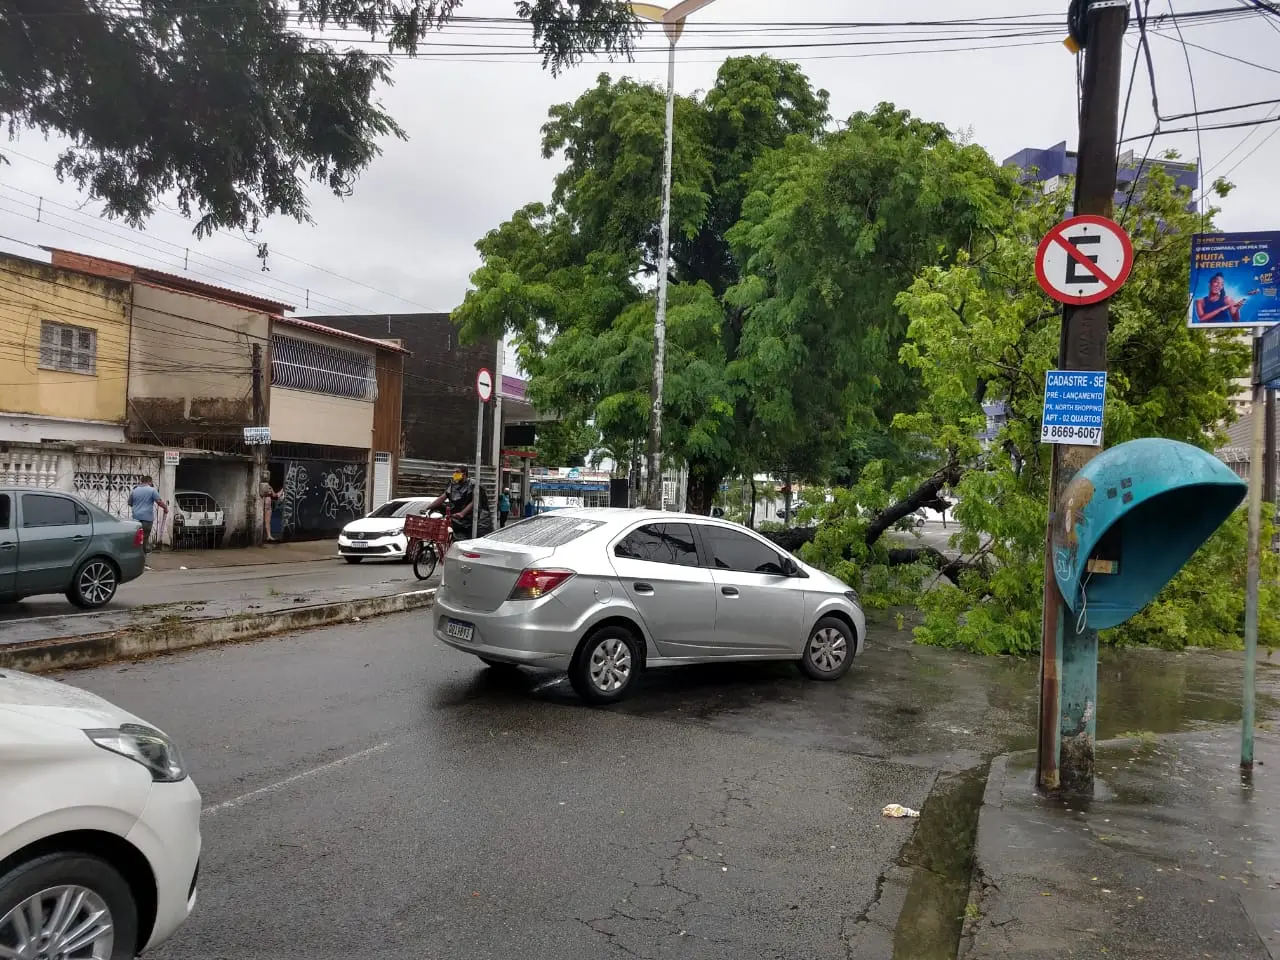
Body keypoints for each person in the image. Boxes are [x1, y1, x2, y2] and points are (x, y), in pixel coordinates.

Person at [427, 465, 492, 537]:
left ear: (464, 474)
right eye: (454, 472)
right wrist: (428, 508)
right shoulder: (453, 485)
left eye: (457, 472)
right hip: (458, 519)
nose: (455, 474)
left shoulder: (473, 484)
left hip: (473, 519)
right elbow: (442, 498)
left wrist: (462, 513)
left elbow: (475, 502)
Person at [128, 476, 167, 566]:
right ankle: (142, 562)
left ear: (141, 481)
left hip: (135, 519)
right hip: (147, 519)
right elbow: (159, 502)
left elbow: (129, 503)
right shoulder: (152, 490)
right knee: (144, 540)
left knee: (136, 540)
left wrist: (137, 506)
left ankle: (134, 559)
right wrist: (165, 508)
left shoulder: (135, 490)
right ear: (149, 482)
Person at [259, 474, 281, 542]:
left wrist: (280, 492)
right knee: (263, 521)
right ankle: (265, 536)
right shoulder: (262, 486)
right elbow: (263, 494)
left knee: (268, 522)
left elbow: (274, 495)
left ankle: (268, 535)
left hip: (268, 506)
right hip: (264, 505)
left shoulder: (269, 487)